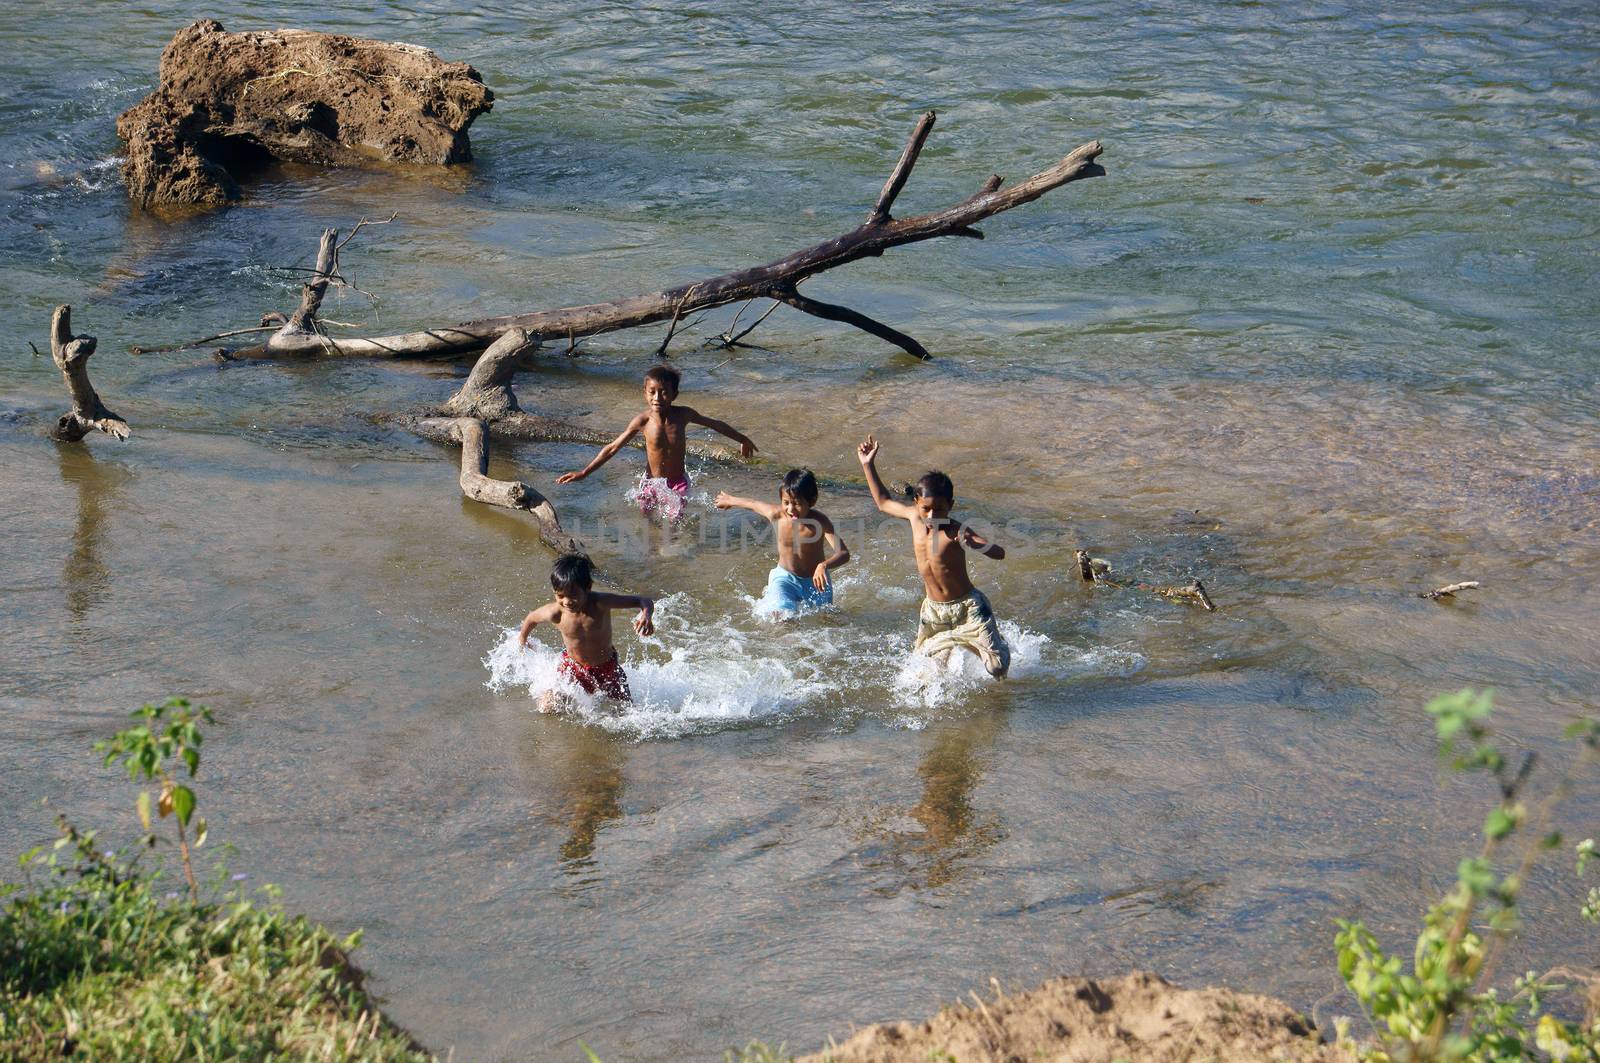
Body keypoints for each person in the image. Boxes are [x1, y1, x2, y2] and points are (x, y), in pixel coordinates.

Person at [856, 434, 1010, 677]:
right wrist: (868, 464)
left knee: (997, 669)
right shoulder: (913, 518)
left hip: (968, 606)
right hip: (934, 611)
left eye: (939, 509)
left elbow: (999, 553)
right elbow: (883, 502)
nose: (931, 515)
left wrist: (976, 544)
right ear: (916, 503)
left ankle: (997, 645)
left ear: (951, 505)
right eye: (925, 508)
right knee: (927, 674)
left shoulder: (956, 531)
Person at [556, 365, 757, 518]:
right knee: (647, 518)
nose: (657, 397)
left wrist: (743, 439)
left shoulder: (683, 415)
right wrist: (584, 472)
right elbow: (612, 448)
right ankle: (651, 553)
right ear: (645, 393)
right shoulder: (642, 422)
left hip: (677, 482)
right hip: (651, 482)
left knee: (676, 521)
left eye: (664, 392)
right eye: (652, 392)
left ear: (674, 395)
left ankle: (673, 552)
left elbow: (715, 424)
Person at [517, 553, 655, 705]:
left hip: (606, 668)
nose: (567, 601)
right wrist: (523, 640)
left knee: (627, 708)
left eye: (573, 595)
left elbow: (643, 600)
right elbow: (531, 618)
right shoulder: (555, 613)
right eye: (560, 596)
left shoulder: (600, 603)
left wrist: (646, 616)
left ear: (588, 587)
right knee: (547, 706)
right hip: (573, 668)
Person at [715, 469, 850, 618]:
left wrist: (824, 565)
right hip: (785, 579)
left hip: (815, 582)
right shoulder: (776, 515)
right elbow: (753, 504)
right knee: (782, 617)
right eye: (786, 502)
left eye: (797, 503)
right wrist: (730, 500)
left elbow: (843, 553)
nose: (791, 509)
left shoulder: (820, 522)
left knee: (828, 620)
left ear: (812, 501)